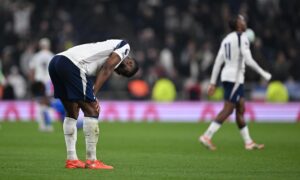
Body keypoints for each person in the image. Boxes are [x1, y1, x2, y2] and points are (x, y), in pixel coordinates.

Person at [48, 39, 139, 169]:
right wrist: (93, 95)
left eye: (120, 73)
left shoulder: (102, 53)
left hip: (56, 62)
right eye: (122, 71)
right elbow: (107, 69)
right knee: (93, 110)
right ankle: (92, 160)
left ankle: (72, 159)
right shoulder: (125, 47)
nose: (118, 72)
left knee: (72, 111)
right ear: (129, 62)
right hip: (73, 64)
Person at [199, 15, 272, 151]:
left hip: (228, 76)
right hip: (235, 78)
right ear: (238, 25)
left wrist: (213, 83)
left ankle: (248, 142)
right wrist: (263, 73)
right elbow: (249, 60)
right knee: (228, 109)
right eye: (242, 20)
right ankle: (206, 136)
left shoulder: (226, 39)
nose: (244, 22)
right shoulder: (242, 37)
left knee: (240, 108)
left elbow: (217, 62)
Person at [29, 38, 54, 132]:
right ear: (48, 45)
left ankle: (42, 125)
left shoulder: (36, 56)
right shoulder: (52, 56)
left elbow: (32, 71)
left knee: (40, 104)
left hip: (38, 82)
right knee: (48, 103)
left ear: (40, 46)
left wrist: (32, 83)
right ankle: (48, 125)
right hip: (48, 82)